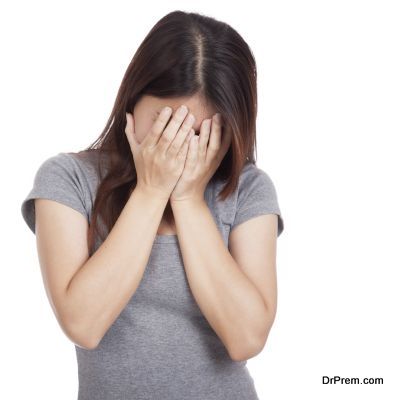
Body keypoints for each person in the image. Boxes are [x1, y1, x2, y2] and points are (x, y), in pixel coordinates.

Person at [20, 10, 284, 400]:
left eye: (196, 133)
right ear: (132, 100)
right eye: (164, 123)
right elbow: (83, 324)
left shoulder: (247, 190)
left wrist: (188, 200)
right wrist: (149, 192)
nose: (176, 145)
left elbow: (246, 338)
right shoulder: (67, 179)